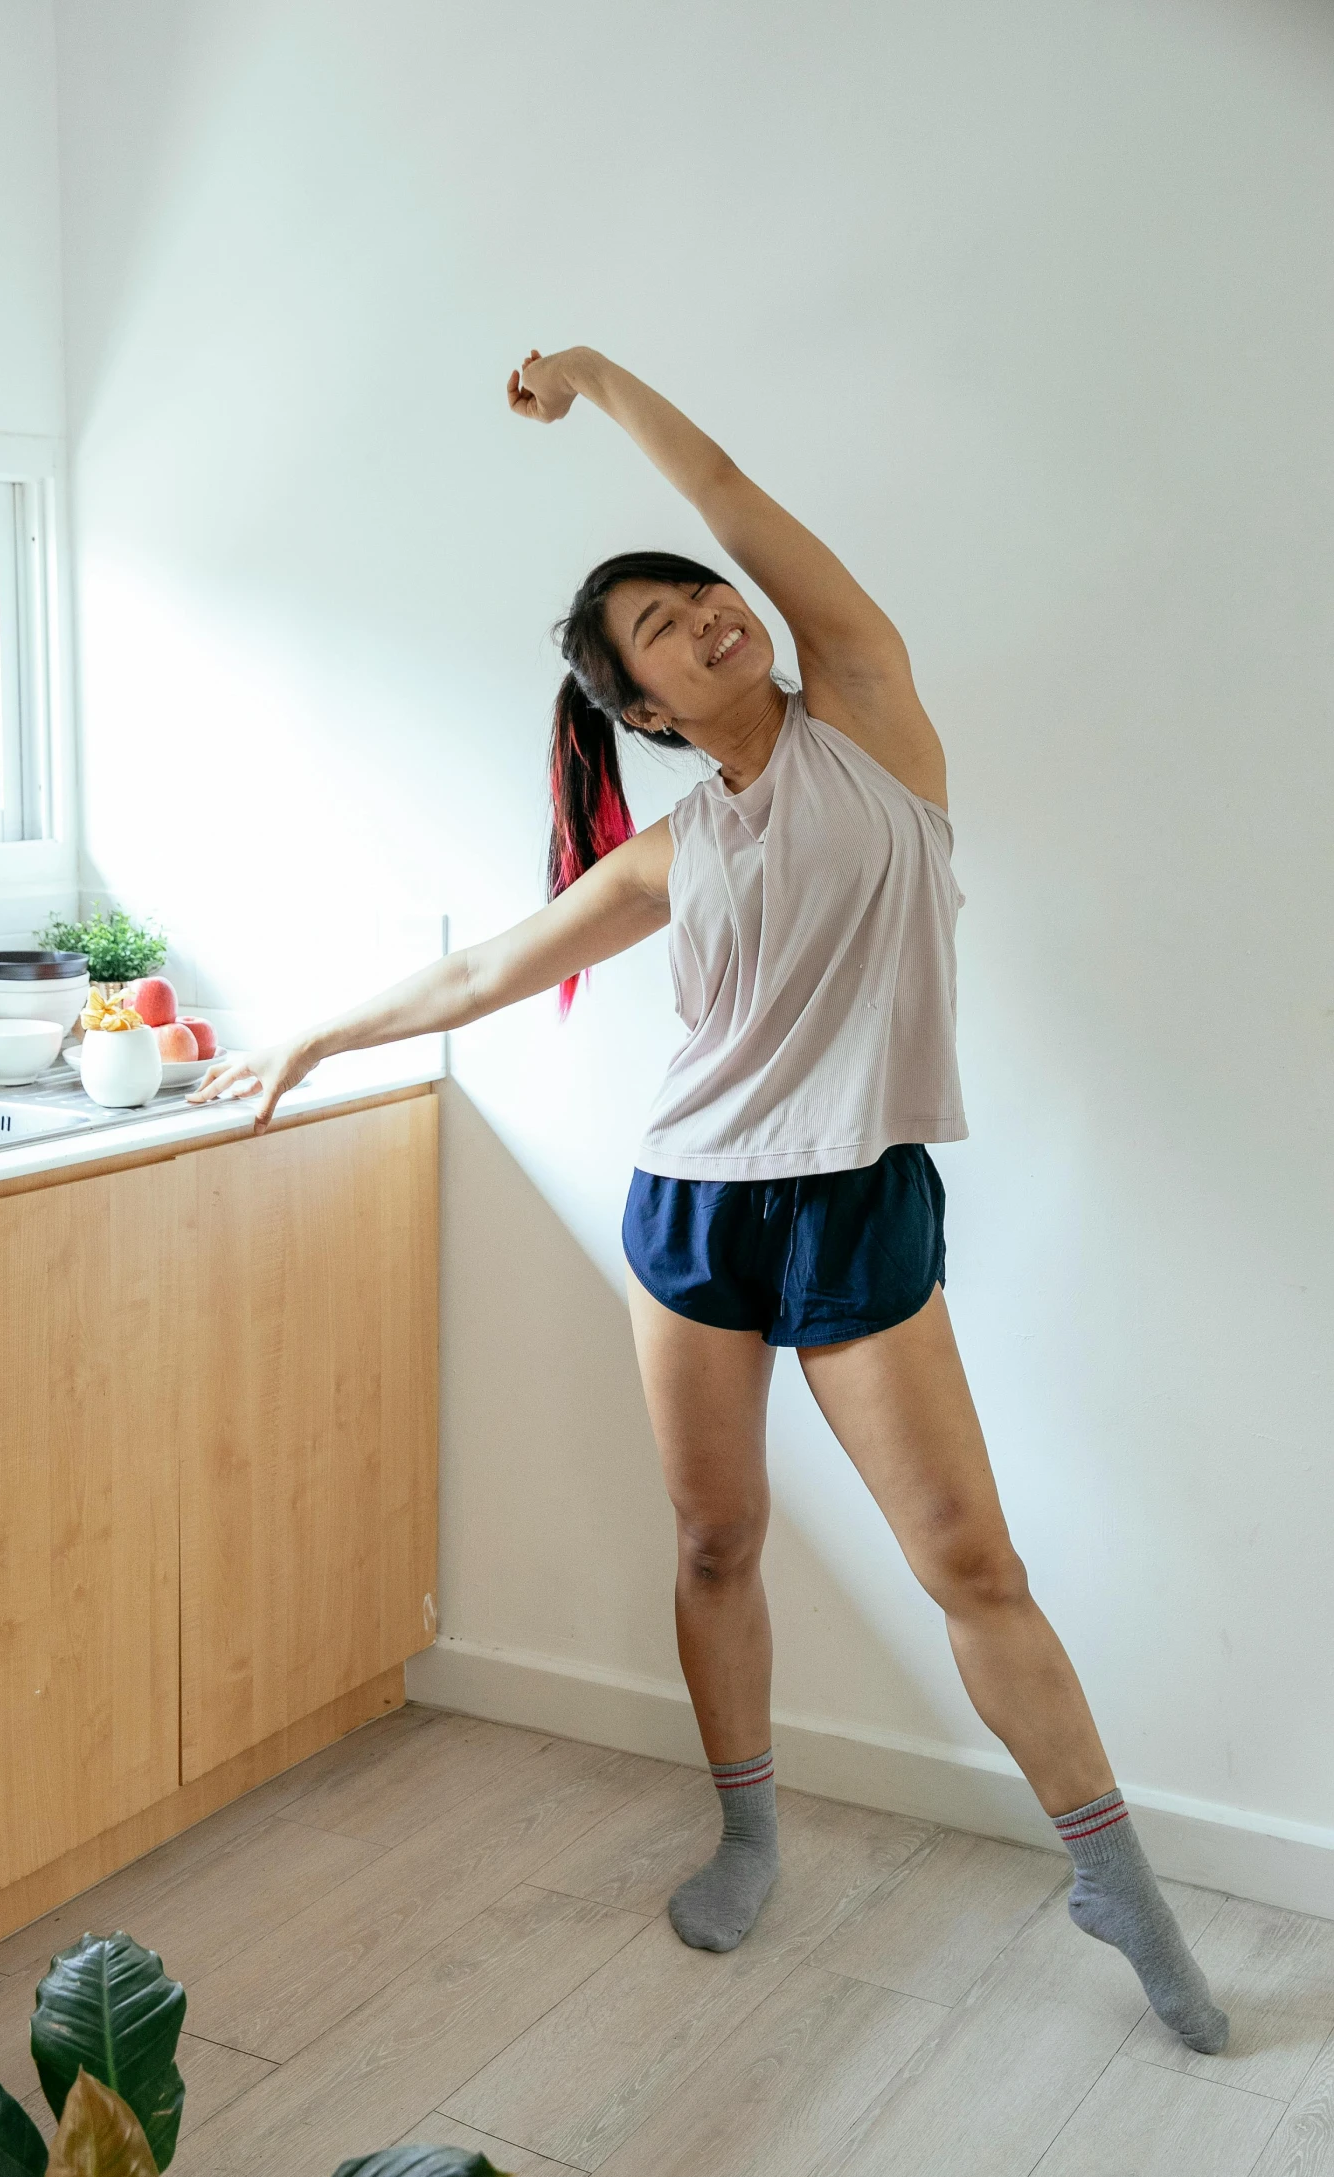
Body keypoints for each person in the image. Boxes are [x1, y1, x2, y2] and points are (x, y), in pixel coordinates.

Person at [192, 345, 1227, 2053]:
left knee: (969, 1555)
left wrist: (596, 381)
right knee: (714, 1535)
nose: (701, 611)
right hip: (687, 1208)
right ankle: (747, 1823)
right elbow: (478, 977)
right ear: (647, 714)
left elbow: (735, 496)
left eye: (696, 595)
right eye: (659, 629)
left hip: (853, 1205)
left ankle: (1110, 1872)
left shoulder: (871, 726)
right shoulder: (674, 851)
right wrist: (305, 1031)